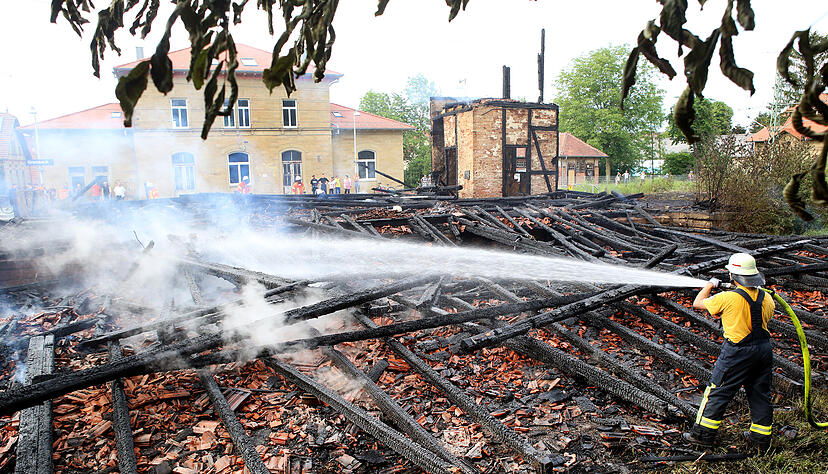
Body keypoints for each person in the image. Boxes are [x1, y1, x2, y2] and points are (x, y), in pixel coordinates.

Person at [684, 253, 775, 452]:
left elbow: (698, 303)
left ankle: (702, 435)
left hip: (738, 352)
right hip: (764, 350)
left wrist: (709, 285)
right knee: (760, 393)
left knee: (717, 391)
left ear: (733, 275)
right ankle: (760, 440)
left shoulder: (727, 297)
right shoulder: (767, 298)